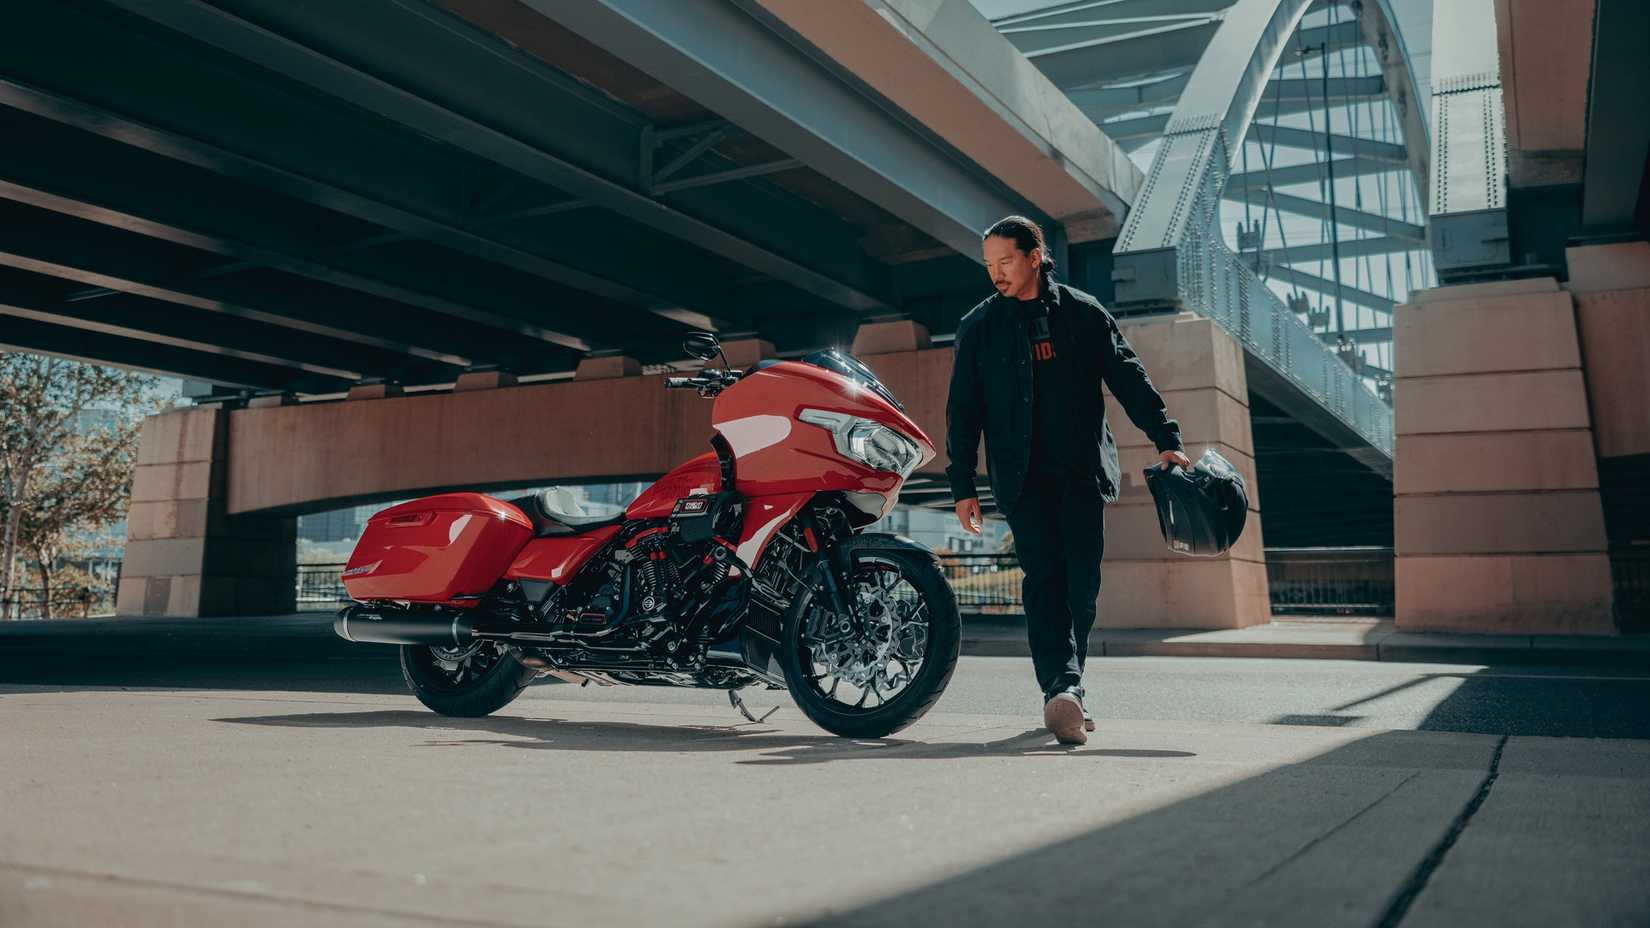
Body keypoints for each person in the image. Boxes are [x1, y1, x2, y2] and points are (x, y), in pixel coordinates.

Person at [945, 216, 1190, 745]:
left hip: (1081, 471)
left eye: (1005, 261)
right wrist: (962, 482)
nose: (996, 274)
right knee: (1043, 579)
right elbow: (963, 411)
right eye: (989, 265)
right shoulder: (978, 328)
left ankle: (1069, 689)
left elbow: (1128, 375)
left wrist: (1165, 436)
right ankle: (1063, 683)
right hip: (1020, 477)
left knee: (1082, 584)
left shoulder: (1082, 313)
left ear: (1035, 255)